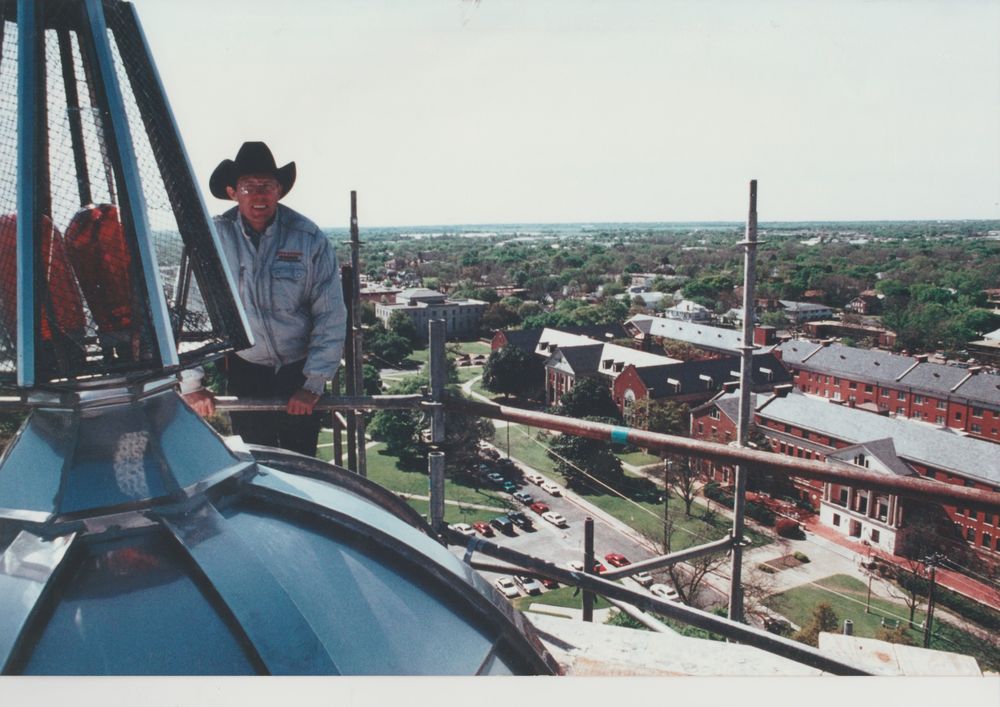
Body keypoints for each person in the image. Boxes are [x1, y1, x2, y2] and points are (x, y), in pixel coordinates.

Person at [181, 141, 346, 457]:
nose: (259, 195)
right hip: (246, 369)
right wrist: (192, 384)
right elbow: (192, 312)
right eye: (248, 187)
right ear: (232, 192)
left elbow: (330, 314)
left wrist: (313, 385)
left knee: (302, 464)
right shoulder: (213, 239)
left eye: (266, 186)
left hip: (298, 371)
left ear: (279, 190)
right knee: (257, 462)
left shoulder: (308, 238)